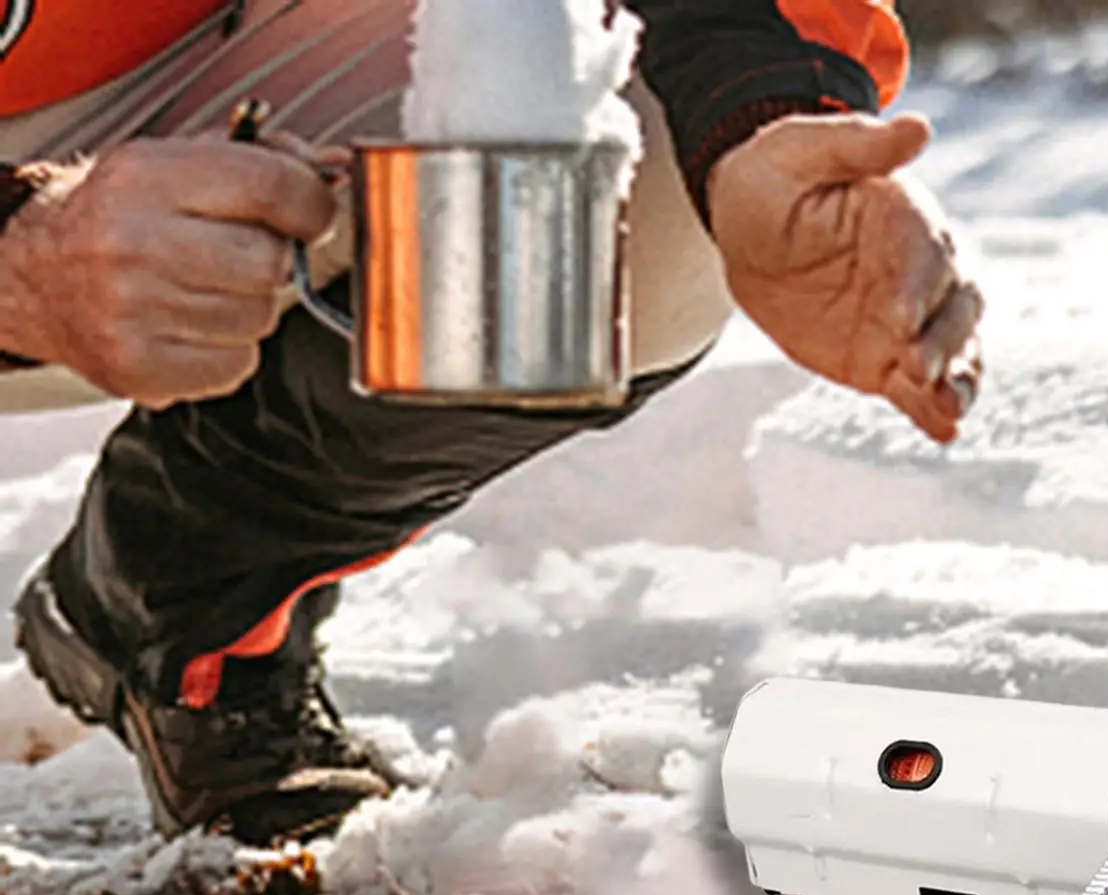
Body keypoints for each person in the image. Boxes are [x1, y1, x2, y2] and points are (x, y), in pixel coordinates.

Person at [0, 0, 983, 845]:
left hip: (202, 49)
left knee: (611, 177)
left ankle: (181, 584)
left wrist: (766, 119)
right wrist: (25, 262)